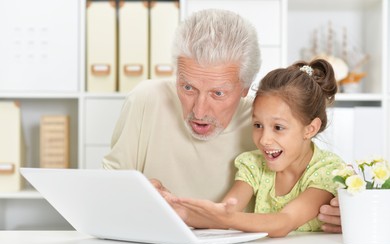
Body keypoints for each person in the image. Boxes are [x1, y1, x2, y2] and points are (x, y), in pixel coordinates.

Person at [102, 9, 342, 231]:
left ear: (246, 88)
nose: (199, 110)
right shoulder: (146, 100)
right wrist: (167, 206)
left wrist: (346, 212)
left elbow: (305, 184)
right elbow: (106, 194)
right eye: (187, 87)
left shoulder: (266, 117)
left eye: (218, 93)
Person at [169, 59, 345, 237]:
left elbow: (285, 221)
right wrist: (178, 211)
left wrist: (227, 218)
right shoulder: (254, 164)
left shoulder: (328, 171)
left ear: (310, 129)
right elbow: (221, 214)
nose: (264, 140)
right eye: (258, 125)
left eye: (278, 127)